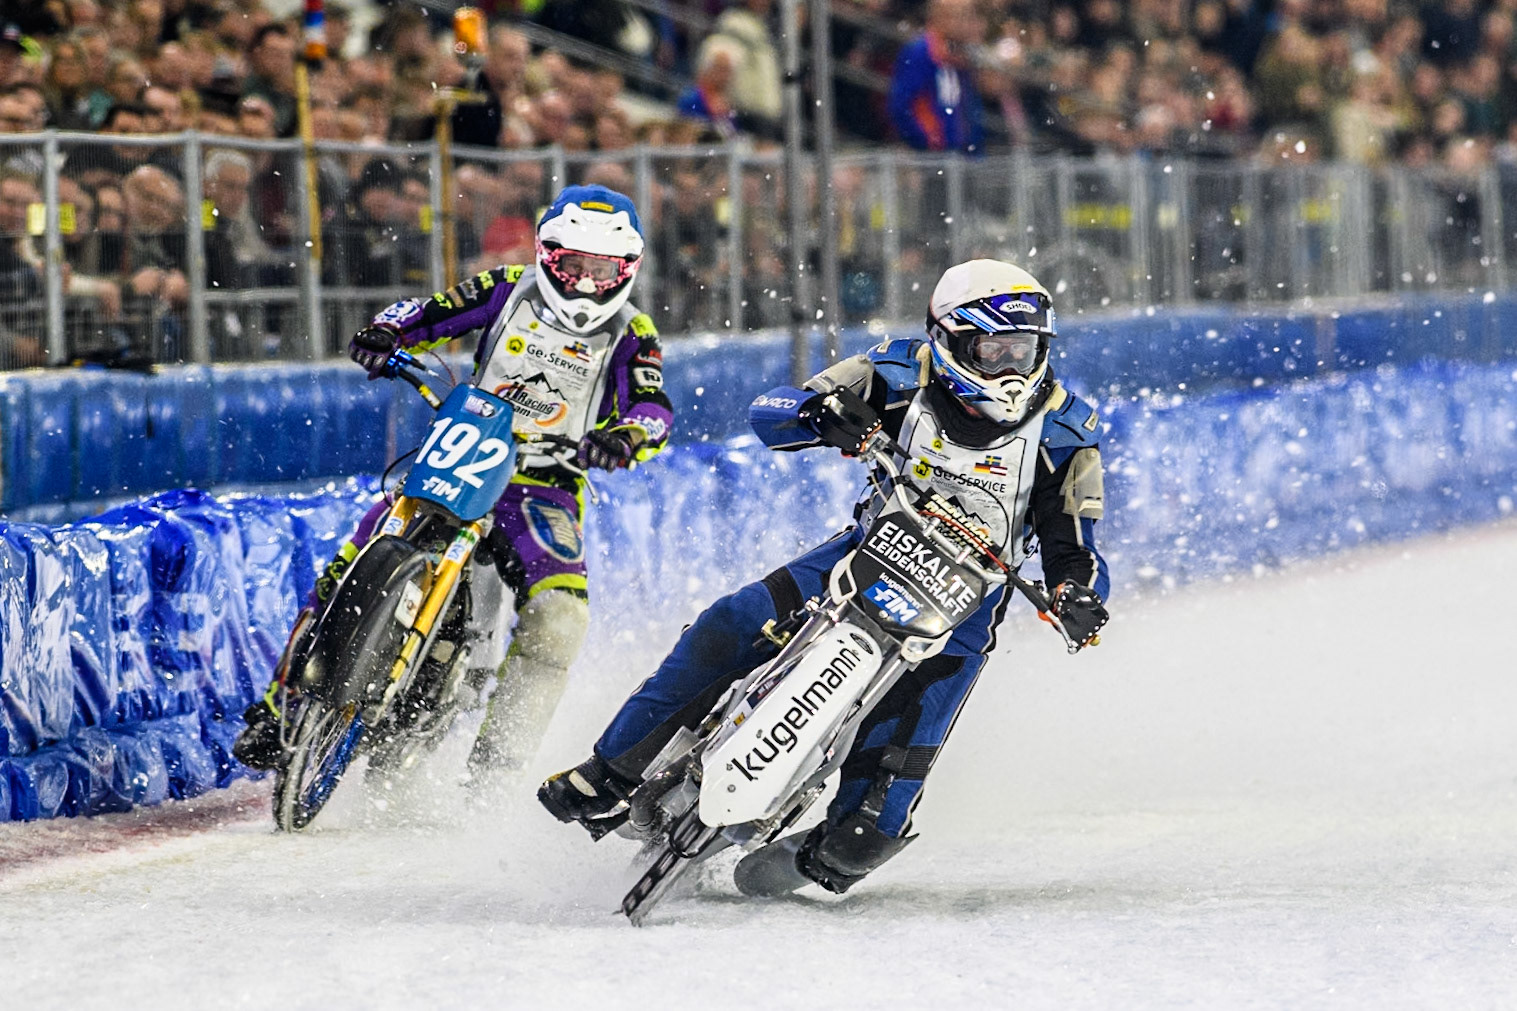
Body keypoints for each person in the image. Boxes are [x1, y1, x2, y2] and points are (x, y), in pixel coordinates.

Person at [539, 259, 1110, 896]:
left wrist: (1078, 595)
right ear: (948, 339)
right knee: (730, 623)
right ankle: (611, 771)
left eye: (1022, 350)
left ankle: (814, 852)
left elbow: (1076, 544)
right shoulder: (894, 371)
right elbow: (775, 409)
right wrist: (819, 415)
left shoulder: (1067, 431)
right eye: (992, 350)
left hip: (965, 609)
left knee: (864, 839)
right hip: (865, 551)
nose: (1010, 369)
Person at [234, 185, 674, 792]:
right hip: (465, 447)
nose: (583, 283)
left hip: (544, 484)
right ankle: (278, 706)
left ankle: (493, 776)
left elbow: (652, 404)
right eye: (572, 264)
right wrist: (386, 333)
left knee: (561, 616)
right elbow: (429, 311)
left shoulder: (633, 331)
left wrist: (625, 436)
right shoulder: (506, 286)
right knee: (354, 555)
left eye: (600, 271)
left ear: (625, 271)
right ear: (547, 255)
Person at [887, 0, 987, 154]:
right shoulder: (921, 52)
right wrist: (929, 140)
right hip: (933, 154)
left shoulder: (962, 55)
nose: (965, 24)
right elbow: (904, 104)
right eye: (959, 16)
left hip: (964, 152)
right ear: (940, 18)